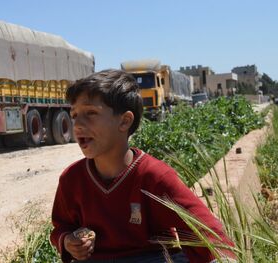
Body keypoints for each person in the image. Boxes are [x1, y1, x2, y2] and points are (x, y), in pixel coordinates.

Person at [50, 69, 234, 263]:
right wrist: (68, 241)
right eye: (74, 115)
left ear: (124, 121)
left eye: (90, 113)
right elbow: (61, 227)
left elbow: (205, 228)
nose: (78, 124)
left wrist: (222, 259)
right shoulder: (72, 179)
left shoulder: (154, 177)